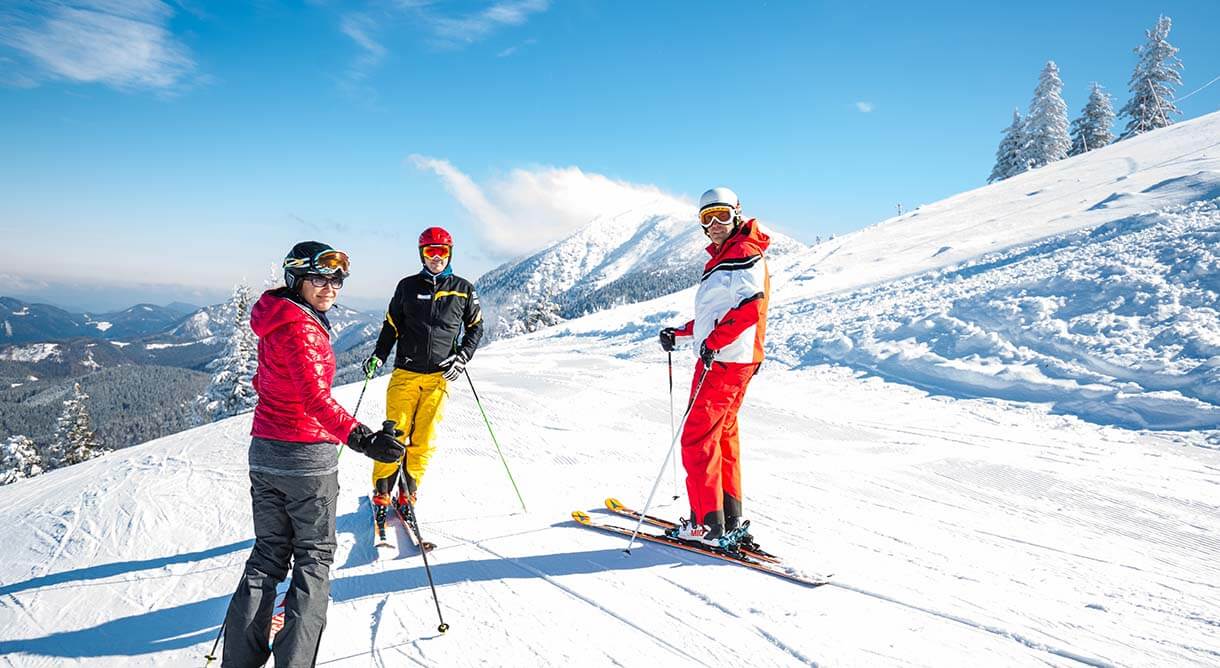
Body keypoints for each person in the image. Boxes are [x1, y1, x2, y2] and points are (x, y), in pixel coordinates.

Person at [222, 241, 406, 668]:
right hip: (305, 460)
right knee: (313, 561)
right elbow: (316, 402)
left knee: (268, 556)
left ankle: (239, 661)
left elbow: (267, 381)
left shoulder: (275, 315)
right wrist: (364, 439)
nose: (330, 287)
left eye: (337, 279)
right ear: (296, 278)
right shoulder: (302, 329)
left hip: (265, 451)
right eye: (319, 278)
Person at [658, 187, 770, 548]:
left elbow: (751, 308)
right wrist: (684, 334)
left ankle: (705, 525)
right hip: (733, 359)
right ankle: (725, 517)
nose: (716, 224)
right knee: (721, 436)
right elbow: (718, 315)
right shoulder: (730, 255)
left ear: (737, 214)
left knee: (697, 438)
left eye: (722, 215)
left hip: (724, 362)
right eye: (708, 218)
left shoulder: (741, 253)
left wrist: (714, 342)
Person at [362, 226, 483, 521]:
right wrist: (379, 354)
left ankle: (408, 494)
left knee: (424, 439)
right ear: (422, 254)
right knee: (394, 437)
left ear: (450, 253)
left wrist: (463, 357)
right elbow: (391, 325)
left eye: (441, 251)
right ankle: (382, 495)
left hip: (439, 378)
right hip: (405, 373)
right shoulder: (406, 286)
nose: (436, 257)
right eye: (430, 251)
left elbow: (476, 327)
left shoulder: (463, 289)